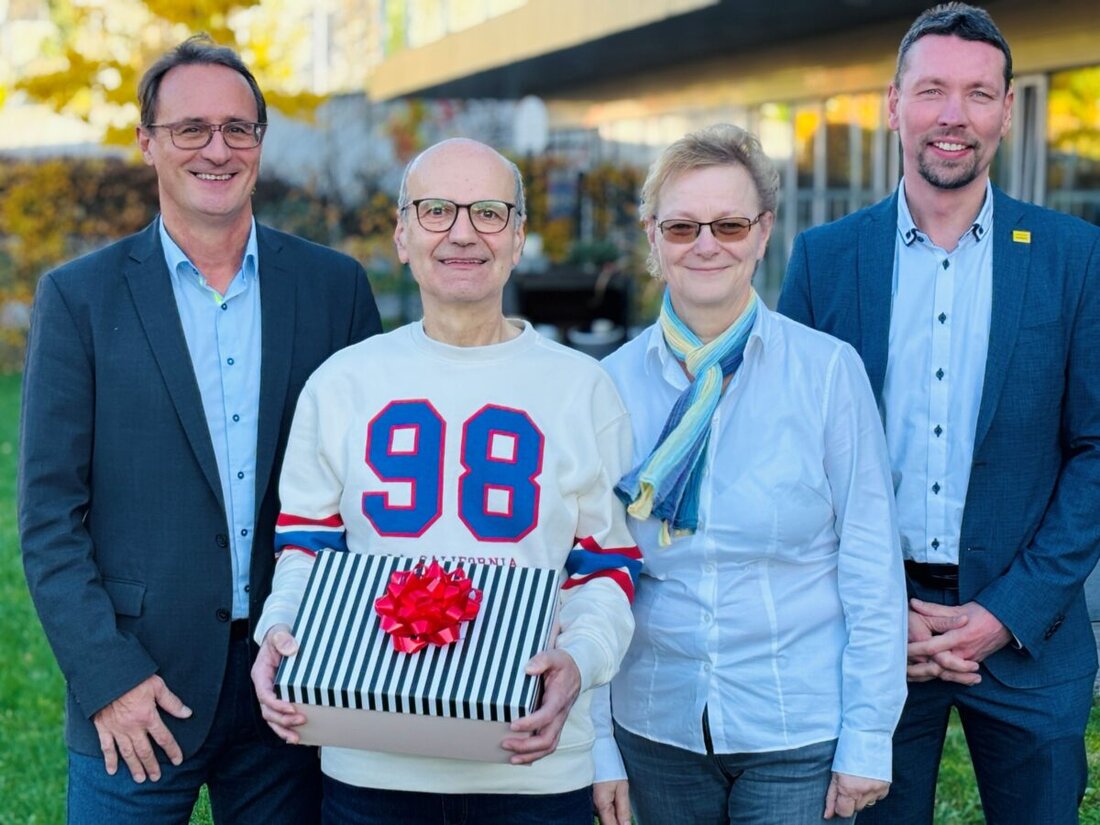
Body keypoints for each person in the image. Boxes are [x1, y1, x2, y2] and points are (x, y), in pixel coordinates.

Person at [18, 35, 381, 824]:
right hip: (140, 692)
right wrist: (106, 675)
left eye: (237, 128)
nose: (217, 149)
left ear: (258, 141)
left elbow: (369, 493)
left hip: (295, 683)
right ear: (148, 142)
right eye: (191, 129)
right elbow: (49, 520)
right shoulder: (80, 300)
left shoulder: (334, 289)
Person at [249, 137, 642, 825]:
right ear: (402, 234)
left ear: (519, 238)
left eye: (489, 212)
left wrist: (580, 660)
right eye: (436, 210)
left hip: (533, 762)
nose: (462, 232)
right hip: (370, 752)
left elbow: (607, 567)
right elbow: (305, 549)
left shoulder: (582, 388)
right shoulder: (342, 383)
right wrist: (279, 627)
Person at [779, 4, 1100, 823]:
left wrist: (1005, 613)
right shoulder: (824, 259)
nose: (953, 116)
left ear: (1007, 110)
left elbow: (1096, 448)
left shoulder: (1076, 257)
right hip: (865, 632)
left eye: (977, 94)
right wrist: (881, 611)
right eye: (931, 91)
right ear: (893, 105)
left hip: (1032, 633)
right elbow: (792, 456)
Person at [590, 123, 907, 825]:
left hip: (797, 724)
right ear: (652, 236)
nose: (707, 244)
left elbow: (871, 567)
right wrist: (598, 747)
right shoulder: (605, 387)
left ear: (763, 232)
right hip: (655, 722)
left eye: (729, 224)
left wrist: (869, 734)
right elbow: (585, 578)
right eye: (681, 227)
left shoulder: (827, 373)